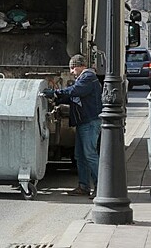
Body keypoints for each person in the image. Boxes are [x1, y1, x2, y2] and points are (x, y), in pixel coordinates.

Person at [42, 54, 102, 199]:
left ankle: (101, 187)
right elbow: (74, 97)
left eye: (73, 67)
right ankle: (83, 187)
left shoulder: (88, 77)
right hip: (83, 123)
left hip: (90, 122)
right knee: (80, 156)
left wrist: (56, 93)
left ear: (80, 66)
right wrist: (58, 98)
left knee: (90, 154)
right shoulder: (82, 79)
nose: (72, 71)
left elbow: (75, 91)